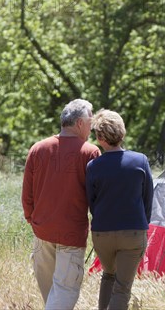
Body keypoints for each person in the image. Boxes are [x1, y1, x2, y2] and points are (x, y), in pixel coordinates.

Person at [22, 99, 101, 309]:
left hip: (41, 230)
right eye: (91, 120)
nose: (92, 126)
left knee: (51, 294)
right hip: (71, 233)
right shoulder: (90, 152)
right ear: (80, 124)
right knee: (64, 291)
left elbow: (26, 193)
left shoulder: (37, 148)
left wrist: (32, 219)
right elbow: (96, 196)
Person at [86, 109, 154, 310]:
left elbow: (92, 203)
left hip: (102, 233)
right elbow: (148, 198)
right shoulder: (140, 161)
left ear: (99, 138)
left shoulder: (93, 166)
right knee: (122, 288)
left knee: (108, 275)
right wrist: (143, 225)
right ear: (122, 133)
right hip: (133, 232)